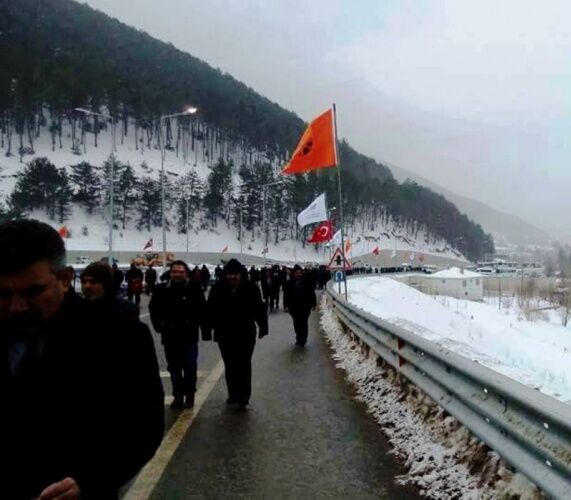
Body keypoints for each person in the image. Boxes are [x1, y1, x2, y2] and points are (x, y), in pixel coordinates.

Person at [0, 219, 164, 500]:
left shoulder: (119, 336)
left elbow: (143, 425)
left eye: (33, 292)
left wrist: (91, 478)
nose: (16, 307)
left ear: (65, 279)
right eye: (2, 294)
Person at [206, 259, 268, 407]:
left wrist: (263, 327)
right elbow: (210, 310)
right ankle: (233, 393)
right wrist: (207, 329)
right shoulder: (217, 289)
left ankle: (244, 396)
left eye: (235, 274)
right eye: (229, 274)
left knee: (244, 364)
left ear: (240, 274)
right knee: (230, 364)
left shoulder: (251, 288)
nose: (232, 277)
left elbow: (259, 309)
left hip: (245, 333)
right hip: (224, 334)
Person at [150, 260, 208, 409]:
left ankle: (190, 395)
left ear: (186, 273)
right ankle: (178, 396)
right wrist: (159, 326)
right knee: (174, 368)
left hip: (189, 336)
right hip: (170, 336)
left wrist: (203, 328)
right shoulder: (161, 289)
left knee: (190, 366)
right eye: (175, 272)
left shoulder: (194, 288)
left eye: (181, 272)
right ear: (170, 273)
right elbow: (154, 309)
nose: (177, 274)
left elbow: (202, 309)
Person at [284, 265, 317, 347]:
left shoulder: (307, 282)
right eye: (297, 273)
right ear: (294, 273)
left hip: (305, 307)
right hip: (294, 308)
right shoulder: (289, 283)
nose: (299, 274)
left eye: (300, 273)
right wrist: (286, 306)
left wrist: (314, 304)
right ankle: (298, 337)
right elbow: (286, 295)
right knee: (296, 323)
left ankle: (303, 339)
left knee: (304, 323)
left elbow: (312, 293)